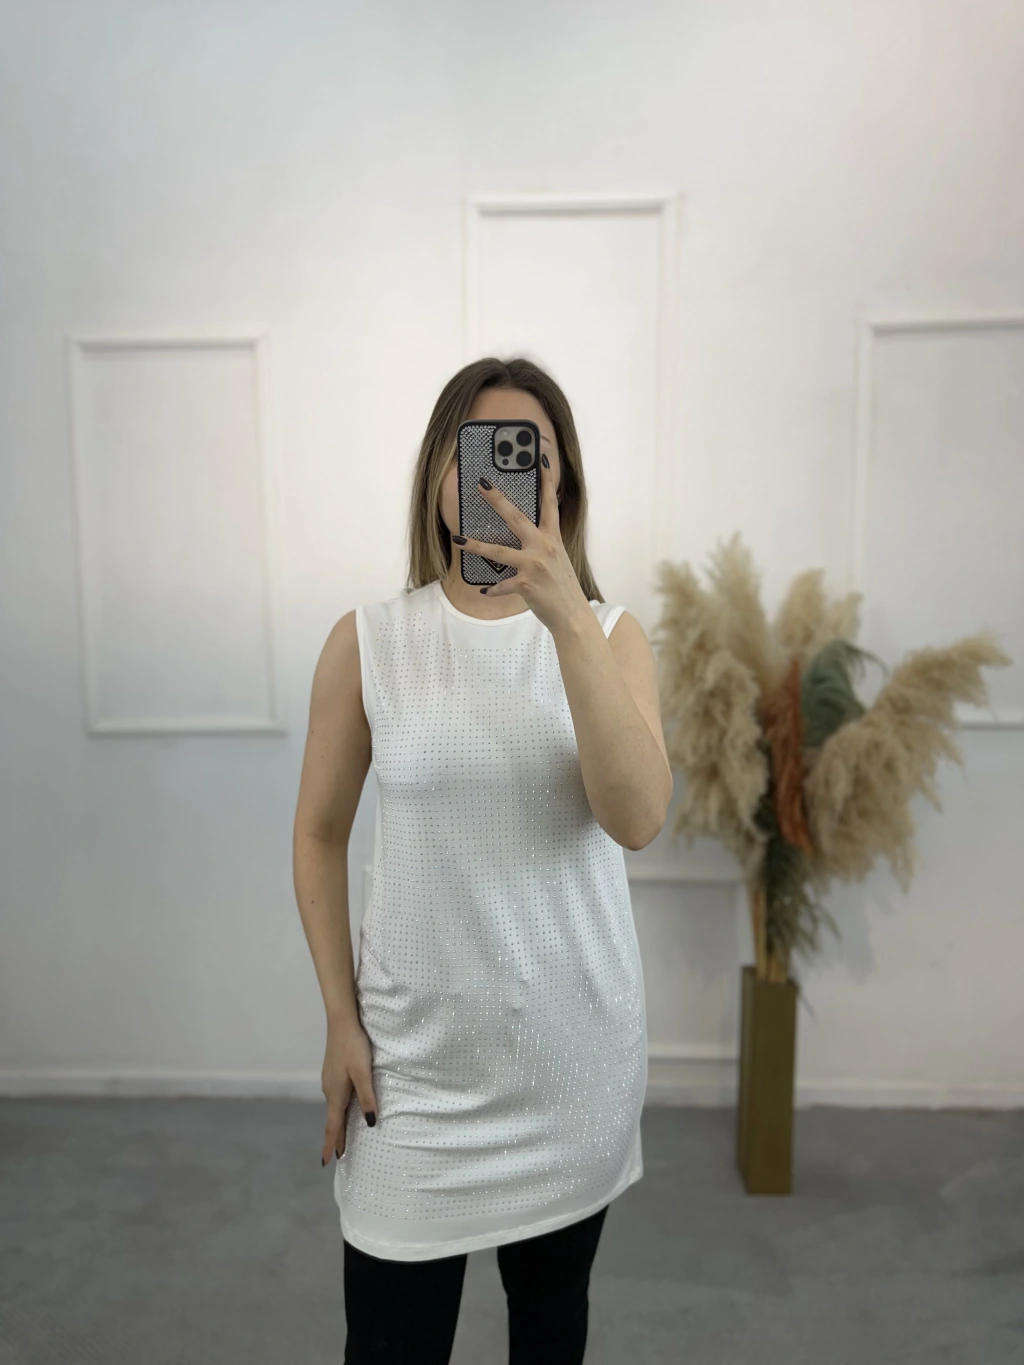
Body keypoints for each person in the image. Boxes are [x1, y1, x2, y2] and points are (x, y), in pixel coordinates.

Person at [293, 356, 673, 1363]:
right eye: (477, 455)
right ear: (438, 475)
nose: (497, 482)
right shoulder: (369, 642)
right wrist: (338, 1016)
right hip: (413, 1076)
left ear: (562, 486)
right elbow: (319, 831)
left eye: (526, 459)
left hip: (572, 1067)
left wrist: (564, 617)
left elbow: (637, 817)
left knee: (551, 1329)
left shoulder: (609, 636)